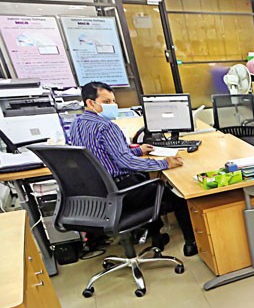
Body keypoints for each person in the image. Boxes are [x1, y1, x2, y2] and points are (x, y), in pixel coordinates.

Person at [66, 82, 197, 256]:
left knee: (145, 180)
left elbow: (105, 153)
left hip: (97, 193)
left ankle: (156, 235)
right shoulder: (107, 127)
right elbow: (125, 162)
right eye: (106, 101)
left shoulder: (77, 124)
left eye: (113, 101)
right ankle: (191, 244)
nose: (113, 106)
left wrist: (138, 150)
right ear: (90, 103)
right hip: (120, 192)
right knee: (176, 193)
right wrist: (164, 163)